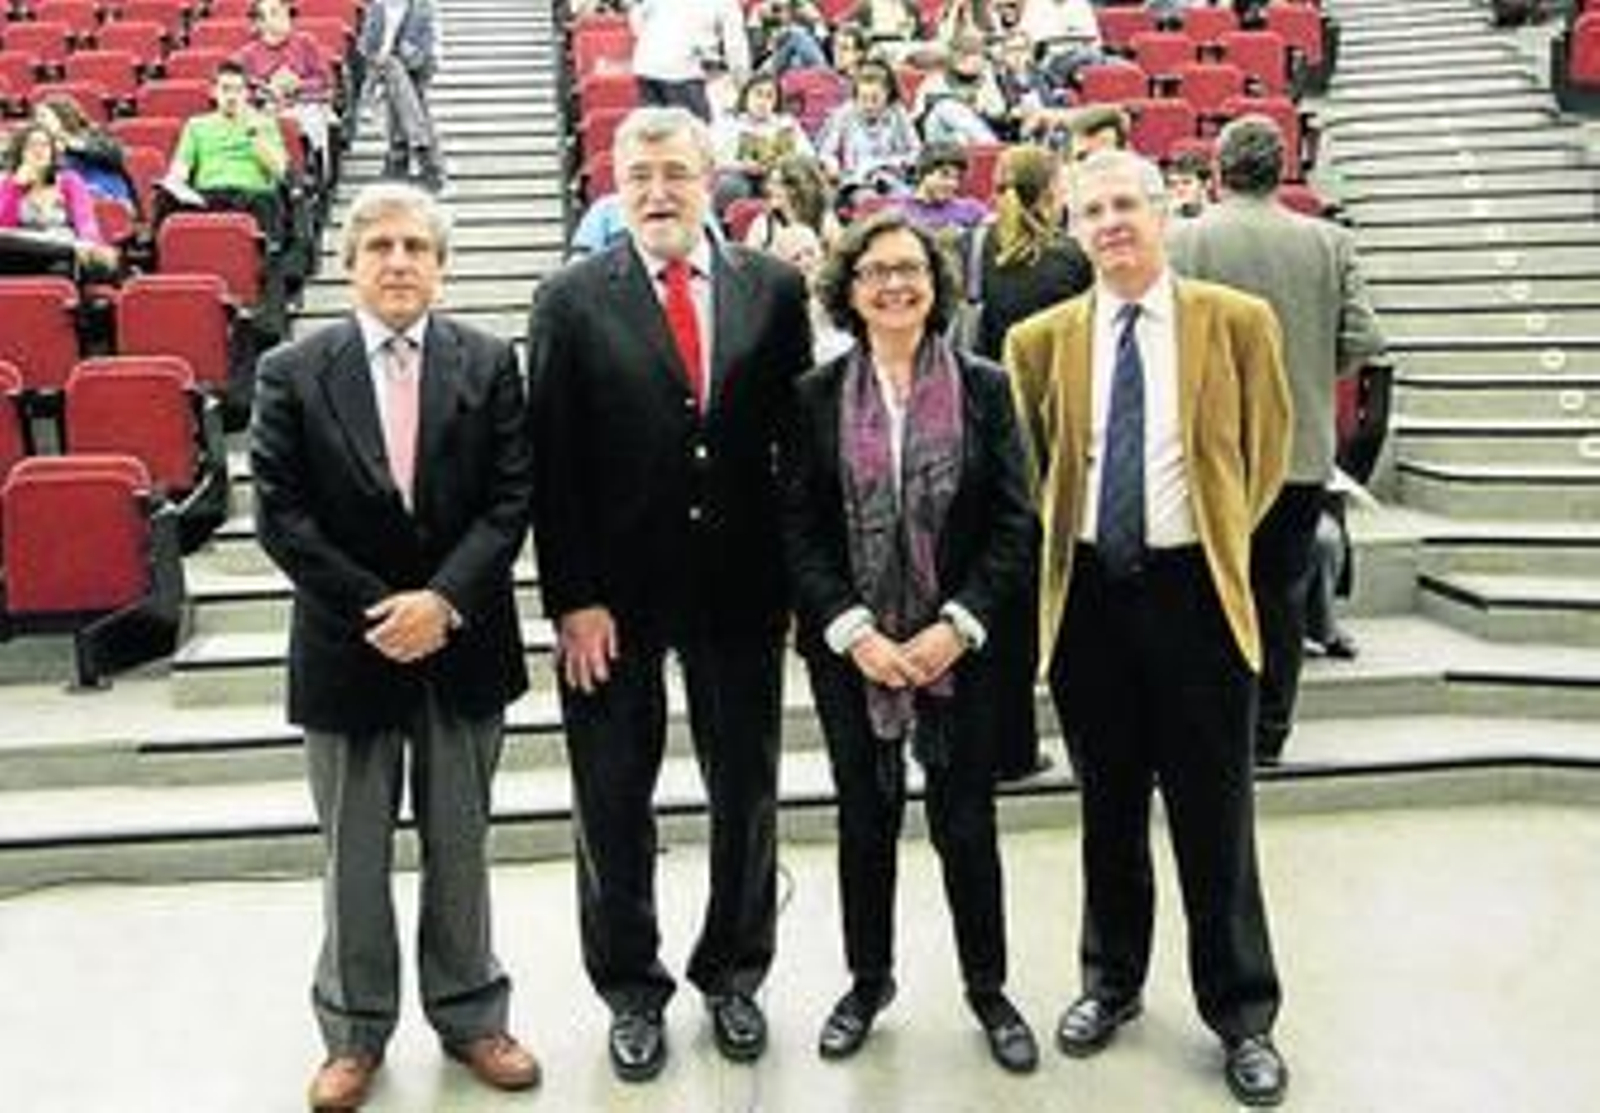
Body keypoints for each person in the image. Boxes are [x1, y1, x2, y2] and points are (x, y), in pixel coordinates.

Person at [526, 106, 812, 1084]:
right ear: (614, 182)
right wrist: (571, 598)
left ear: (708, 179)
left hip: (740, 591)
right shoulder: (568, 298)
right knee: (611, 801)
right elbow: (551, 461)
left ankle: (734, 972)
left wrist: (794, 583)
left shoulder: (773, 291)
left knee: (747, 791)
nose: (657, 192)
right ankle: (631, 989)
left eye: (676, 174)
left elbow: (797, 451)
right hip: (613, 599)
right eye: (639, 174)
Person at [1005, 149, 1293, 1107]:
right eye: (1093, 209)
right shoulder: (1039, 340)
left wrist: (1204, 540)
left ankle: (1242, 1013)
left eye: (1128, 203)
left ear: (1165, 213)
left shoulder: (1236, 322)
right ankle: (1111, 981)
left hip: (1196, 596)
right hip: (1089, 599)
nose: (1113, 222)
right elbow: (1042, 470)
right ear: (1073, 227)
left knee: (1216, 818)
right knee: (1108, 812)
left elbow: (1267, 452)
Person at [250, 182, 540, 1112]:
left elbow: (510, 500)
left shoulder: (491, 362)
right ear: (350, 264)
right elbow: (282, 518)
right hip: (348, 645)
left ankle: (471, 1013)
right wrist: (387, 608)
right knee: (354, 855)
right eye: (380, 246)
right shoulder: (293, 369)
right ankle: (353, 1030)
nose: (400, 261)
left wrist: (444, 602)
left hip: (463, 644)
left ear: (443, 267)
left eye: (417, 246)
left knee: (462, 845)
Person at [786, 210, 1041, 1073]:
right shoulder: (814, 397)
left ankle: (988, 987)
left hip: (961, 650)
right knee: (866, 815)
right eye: (875, 272)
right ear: (847, 292)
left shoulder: (983, 384)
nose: (895, 285)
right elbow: (799, 532)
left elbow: (1016, 520)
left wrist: (956, 626)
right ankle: (867, 980)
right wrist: (855, 631)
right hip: (852, 651)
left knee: (967, 819)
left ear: (936, 285)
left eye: (911, 270)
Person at [1168, 115, 1385, 765]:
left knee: (1207, 594)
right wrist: (1310, 376)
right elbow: (1365, 342)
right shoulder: (1330, 242)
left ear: (1218, 169)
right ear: (1284, 166)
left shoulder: (1181, 240)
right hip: (1299, 447)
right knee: (1280, 597)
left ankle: (1212, 728)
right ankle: (1269, 735)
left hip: (1206, 452)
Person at [969, 142, 1091, 361]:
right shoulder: (1073, 256)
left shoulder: (968, 244)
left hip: (984, 384)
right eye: (1062, 187)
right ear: (1049, 194)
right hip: (1051, 386)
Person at [164, 60, 289, 241]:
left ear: (246, 94)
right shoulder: (196, 125)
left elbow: (279, 171)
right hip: (209, 195)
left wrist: (253, 134)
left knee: (267, 202)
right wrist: (176, 185)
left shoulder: (264, 124)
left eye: (238, 90)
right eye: (226, 89)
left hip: (250, 195)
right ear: (214, 92)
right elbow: (179, 170)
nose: (232, 96)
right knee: (166, 199)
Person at [0, 123, 119, 276]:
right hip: (21, 251)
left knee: (62, 265)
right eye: (31, 146)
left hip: (59, 243)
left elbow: (85, 221)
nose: (39, 151)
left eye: (45, 145)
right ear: (20, 153)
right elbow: (4, 226)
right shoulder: (8, 184)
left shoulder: (69, 181)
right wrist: (15, 187)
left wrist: (90, 243)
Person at [356, 0, 446, 190]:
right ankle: (425, 155)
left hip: (414, 69)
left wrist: (411, 54)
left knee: (395, 74)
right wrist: (376, 55)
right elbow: (363, 46)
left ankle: (398, 156)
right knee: (397, 76)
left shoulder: (422, 8)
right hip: (379, 70)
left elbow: (427, 47)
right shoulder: (377, 8)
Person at [236, 0, 336, 168]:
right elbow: (239, 89)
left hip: (306, 105)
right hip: (267, 110)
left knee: (312, 121)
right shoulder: (246, 55)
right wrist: (265, 92)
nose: (284, 16)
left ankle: (311, 170)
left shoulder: (305, 42)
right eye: (274, 13)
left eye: (284, 11)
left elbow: (324, 80)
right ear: (260, 23)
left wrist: (297, 85)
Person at [815, 57, 922, 206]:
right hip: (856, 181)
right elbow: (826, 152)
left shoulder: (898, 113)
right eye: (863, 99)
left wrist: (900, 163)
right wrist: (834, 168)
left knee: (908, 199)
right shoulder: (845, 114)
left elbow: (916, 149)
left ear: (888, 95)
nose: (868, 105)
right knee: (871, 202)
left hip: (892, 177)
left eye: (875, 99)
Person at [710, 70, 814, 212]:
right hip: (740, 175)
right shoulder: (729, 122)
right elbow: (714, 159)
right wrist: (741, 166)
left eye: (769, 96)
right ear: (746, 95)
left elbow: (807, 153)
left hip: (777, 175)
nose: (763, 102)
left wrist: (783, 162)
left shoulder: (786, 123)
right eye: (758, 94)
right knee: (731, 184)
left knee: (796, 182)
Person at [629, 0, 751, 120]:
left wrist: (649, 40)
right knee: (695, 130)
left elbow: (637, 17)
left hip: (647, 63)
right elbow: (735, 45)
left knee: (656, 131)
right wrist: (743, 82)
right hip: (682, 68)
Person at [33, 96, 136, 210]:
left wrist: (72, 146)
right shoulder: (38, 146)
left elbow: (115, 156)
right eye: (36, 117)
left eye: (43, 116)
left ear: (61, 117)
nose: (38, 121)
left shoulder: (93, 135)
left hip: (105, 193)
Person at [897, 141, 988, 234]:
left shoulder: (972, 209)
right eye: (944, 175)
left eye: (957, 177)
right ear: (925, 173)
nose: (952, 184)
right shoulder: (902, 212)